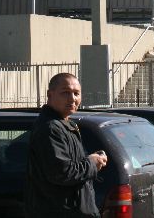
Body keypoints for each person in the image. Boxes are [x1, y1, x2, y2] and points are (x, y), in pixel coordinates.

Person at [25, 72, 108, 217]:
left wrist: (94, 159)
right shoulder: (50, 128)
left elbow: (73, 165)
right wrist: (92, 163)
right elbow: (63, 172)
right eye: (65, 93)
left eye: (76, 93)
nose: (72, 98)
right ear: (50, 95)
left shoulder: (66, 124)